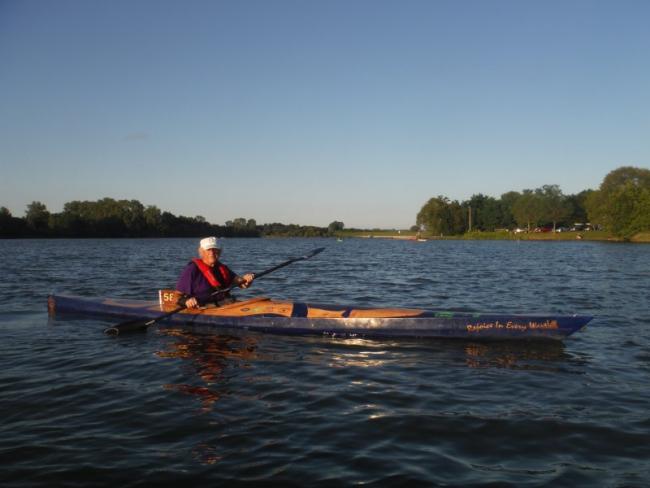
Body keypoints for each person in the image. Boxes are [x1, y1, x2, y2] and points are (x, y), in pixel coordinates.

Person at [175, 237, 254, 308]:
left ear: (219, 252)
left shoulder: (222, 268)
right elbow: (177, 296)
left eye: (214, 249)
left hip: (226, 304)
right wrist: (186, 301)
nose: (212, 253)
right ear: (201, 252)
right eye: (208, 249)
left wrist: (246, 280)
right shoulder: (192, 269)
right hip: (204, 306)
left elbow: (241, 283)